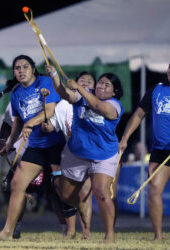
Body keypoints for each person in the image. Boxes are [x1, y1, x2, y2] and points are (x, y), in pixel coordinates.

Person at [0, 55, 66, 240]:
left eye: (25, 67)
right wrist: (8, 145)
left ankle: (73, 230)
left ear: (33, 69)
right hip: (36, 147)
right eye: (17, 68)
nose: (21, 70)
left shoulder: (44, 82)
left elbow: (50, 110)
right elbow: (17, 124)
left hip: (56, 144)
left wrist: (30, 124)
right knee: (17, 184)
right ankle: (7, 232)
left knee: (60, 190)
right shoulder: (15, 94)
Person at [118, 56, 170, 241]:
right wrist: (125, 138)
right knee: (153, 189)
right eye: (169, 66)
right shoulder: (156, 90)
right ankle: (158, 236)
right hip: (160, 149)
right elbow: (138, 114)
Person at [46, 65, 123, 243]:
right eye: (101, 83)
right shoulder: (84, 94)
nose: (101, 87)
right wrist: (54, 75)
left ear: (114, 92)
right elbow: (65, 94)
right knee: (66, 196)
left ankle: (109, 236)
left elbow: (98, 106)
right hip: (77, 154)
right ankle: (81, 203)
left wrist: (79, 87)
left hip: (103, 155)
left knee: (102, 193)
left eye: (106, 85)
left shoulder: (114, 105)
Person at [42, 72, 96, 239]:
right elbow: (52, 126)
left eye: (90, 81)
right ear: (74, 84)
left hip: (92, 152)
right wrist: (45, 124)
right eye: (82, 80)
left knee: (86, 192)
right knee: (66, 193)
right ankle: (71, 230)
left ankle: (86, 232)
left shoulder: (98, 101)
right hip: (72, 152)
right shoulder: (65, 104)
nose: (86, 82)